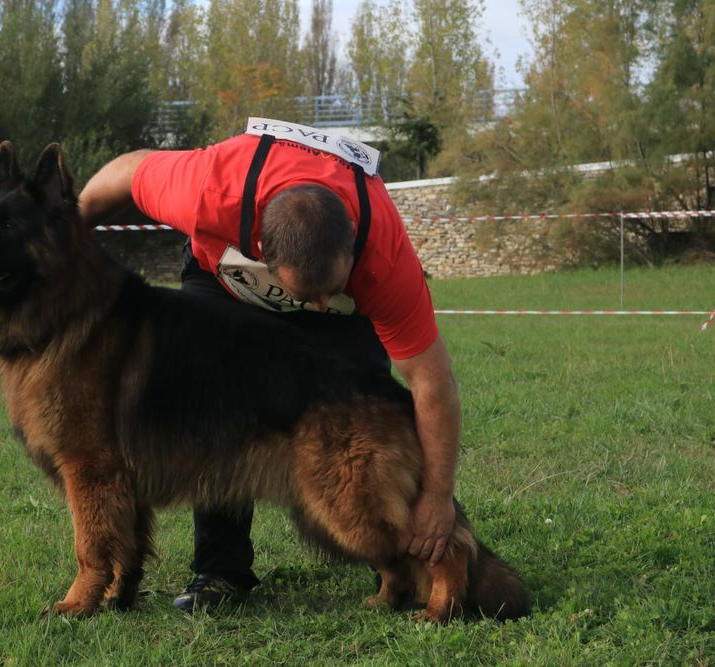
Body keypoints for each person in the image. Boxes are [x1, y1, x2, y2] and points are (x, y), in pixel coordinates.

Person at [77, 124, 461, 613]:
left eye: (330, 289)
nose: (316, 306)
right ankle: (220, 571)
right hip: (224, 284)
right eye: (306, 294)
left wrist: (438, 496)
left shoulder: (384, 256)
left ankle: (394, 560)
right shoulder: (208, 188)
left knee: (361, 409)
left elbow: (431, 384)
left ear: (351, 248)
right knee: (214, 411)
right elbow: (126, 173)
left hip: (349, 314)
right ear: (261, 246)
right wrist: (70, 232)